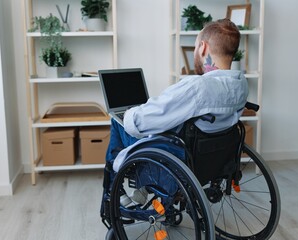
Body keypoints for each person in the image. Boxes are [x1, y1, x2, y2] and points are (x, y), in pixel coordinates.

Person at [101, 18, 248, 213]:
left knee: (119, 121)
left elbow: (144, 120)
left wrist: (131, 113)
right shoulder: (240, 84)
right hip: (211, 159)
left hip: (179, 157)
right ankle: (133, 190)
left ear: (203, 47)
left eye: (196, 47)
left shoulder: (197, 87)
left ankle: (113, 190)